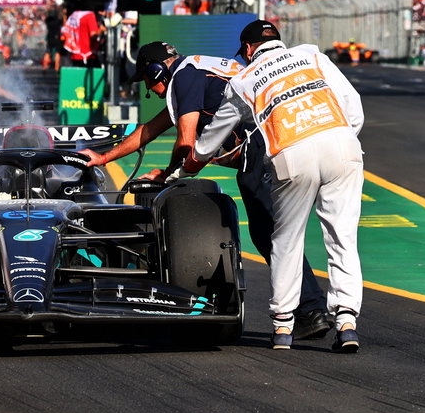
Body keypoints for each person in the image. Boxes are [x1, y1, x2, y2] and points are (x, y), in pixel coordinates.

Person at [77, 39, 331, 340]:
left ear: (158, 71)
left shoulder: (185, 77)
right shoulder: (195, 69)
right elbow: (150, 129)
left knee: (271, 233)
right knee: (276, 232)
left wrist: (167, 174)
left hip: (261, 146)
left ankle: (310, 310)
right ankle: (311, 309)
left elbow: (185, 141)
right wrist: (104, 158)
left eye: (147, 81)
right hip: (286, 140)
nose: (149, 90)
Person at [187, 20, 365, 353]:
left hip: (293, 152)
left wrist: (192, 161)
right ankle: (346, 322)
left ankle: (283, 325)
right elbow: (352, 106)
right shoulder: (313, 56)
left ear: (249, 49)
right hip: (342, 143)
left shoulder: (243, 80)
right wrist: (341, 142)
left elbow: (212, 138)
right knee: (342, 236)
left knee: (286, 238)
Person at [58, 0, 104, 68]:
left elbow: (65, 32)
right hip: (88, 55)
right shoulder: (90, 16)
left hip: (74, 54)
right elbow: (93, 35)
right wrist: (102, 30)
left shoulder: (73, 15)